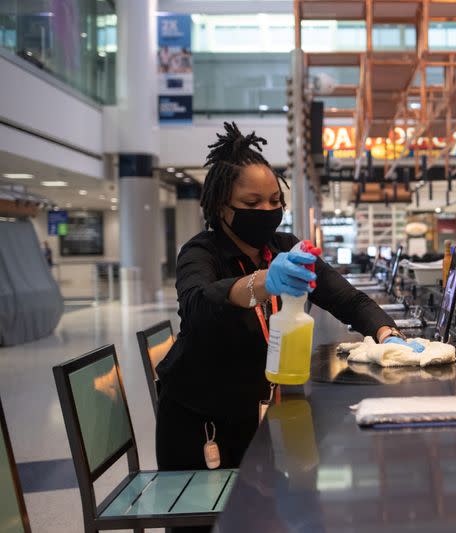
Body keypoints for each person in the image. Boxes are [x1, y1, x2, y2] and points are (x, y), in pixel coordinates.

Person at [155, 123, 422, 523]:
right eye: (252, 202)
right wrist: (262, 282)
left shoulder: (285, 248)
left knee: (267, 518)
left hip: (262, 416)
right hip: (200, 423)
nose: (267, 211)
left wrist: (389, 335)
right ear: (220, 208)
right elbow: (198, 307)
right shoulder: (200, 253)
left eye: (274, 201)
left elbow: (347, 298)